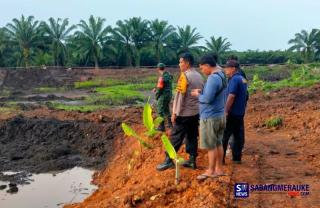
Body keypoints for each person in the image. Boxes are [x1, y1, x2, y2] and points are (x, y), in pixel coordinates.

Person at [156, 53, 204, 171]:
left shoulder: (184, 76)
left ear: (187, 63)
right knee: (192, 135)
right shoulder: (199, 75)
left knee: (175, 136)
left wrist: (174, 113)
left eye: (181, 62)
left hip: (184, 113)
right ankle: (192, 160)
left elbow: (179, 97)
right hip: (195, 112)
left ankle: (168, 160)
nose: (179, 64)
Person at [191, 54, 227, 180]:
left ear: (207, 65)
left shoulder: (212, 78)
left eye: (202, 68)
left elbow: (207, 99)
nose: (202, 71)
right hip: (220, 115)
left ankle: (211, 171)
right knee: (218, 143)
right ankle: (219, 169)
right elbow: (214, 94)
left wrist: (197, 94)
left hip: (210, 117)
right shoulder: (222, 74)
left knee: (211, 145)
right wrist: (204, 92)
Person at [222, 60, 248, 164]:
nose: (225, 70)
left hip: (232, 113)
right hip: (240, 112)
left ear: (233, 68)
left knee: (224, 136)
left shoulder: (234, 80)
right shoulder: (242, 79)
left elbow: (231, 96)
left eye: (227, 68)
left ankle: (220, 159)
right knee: (238, 135)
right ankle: (237, 158)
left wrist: (225, 110)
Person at [153, 63, 173, 132]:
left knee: (160, 110)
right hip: (169, 94)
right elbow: (165, 86)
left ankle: (161, 127)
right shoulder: (169, 75)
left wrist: (156, 96)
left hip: (163, 95)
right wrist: (157, 88)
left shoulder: (161, 77)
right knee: (166, 109)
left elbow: (159, 89)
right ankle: (170, 125)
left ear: (158, 69)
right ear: (164, 68)